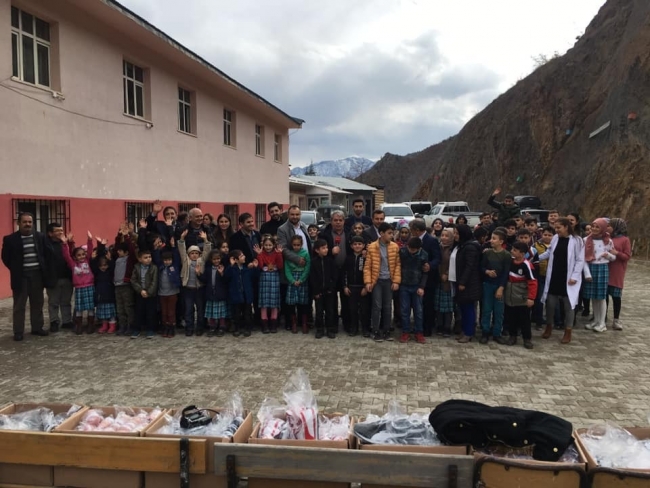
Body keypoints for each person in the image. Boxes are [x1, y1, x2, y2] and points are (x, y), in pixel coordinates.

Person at [1, 212, 52, 341]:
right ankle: (18, 331)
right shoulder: (10, 239)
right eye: (24, 222)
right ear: (18, 223)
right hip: (21, 277)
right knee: (19, 306)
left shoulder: (40, 237)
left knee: (37, 303)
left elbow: (47, 254)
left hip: (37, 276)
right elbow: (5, 258)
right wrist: (16, 269)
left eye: (30, 222)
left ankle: (37, 328)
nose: (27, 224)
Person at [540, 217, 585, 344]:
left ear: (566, 227)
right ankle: (549, 326)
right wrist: (536, 258)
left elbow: (580, 260)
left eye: (559, 227)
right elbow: (549, 252)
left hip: (568, 277)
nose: (556, 230)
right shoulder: (555, 238)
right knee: (550, 303)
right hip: (555, 275)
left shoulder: (577, 240)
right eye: (555, 227)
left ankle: (568, 330)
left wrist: (574, 276)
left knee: (569, 305)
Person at [277, 206, 313, 329]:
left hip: (305, 267)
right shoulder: (282, 229)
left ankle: (304, 321)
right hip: (292, 267)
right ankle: (290, 322)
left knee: (304, 297)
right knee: (290, 298)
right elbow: (283, 249)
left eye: (297, 214)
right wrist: (297, 259)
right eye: (292, 214)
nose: (295, 217)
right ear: (288, 215)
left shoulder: (303, 225)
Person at [364, 223, 401, 342]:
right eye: (389, 233)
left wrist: (396, 281)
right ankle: (375, 330)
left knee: (387, 306)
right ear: (381, 233)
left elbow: (397, 265)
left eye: (392, 233)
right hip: (377, 281)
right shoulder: (372, 247)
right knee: (377, 306)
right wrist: (368, 282)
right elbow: (367, 266)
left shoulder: (395, 247)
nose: (391, 235)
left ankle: (386, 330)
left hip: (388, 280)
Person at [583, 218, 616, 333]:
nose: (594, 229)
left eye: (597, 227)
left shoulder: (608, 241)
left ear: (603, 228)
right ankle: (596, 320)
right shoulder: (586, 240)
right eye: (593, 226)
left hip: (602, 268)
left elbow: (614, 257)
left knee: (601, 297)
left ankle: (602, 323)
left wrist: (607, 255)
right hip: (591, 268)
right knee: (594, 297)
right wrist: (586, 273)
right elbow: (583, 259)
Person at [318, 210, 349, 330]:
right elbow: (318, 252)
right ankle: (333, 324)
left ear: (344, 221)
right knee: (332, 299)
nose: (338, 222)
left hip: (345, 270)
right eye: (335, 220)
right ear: (331, 221)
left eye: (340, 220)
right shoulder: (324, 234)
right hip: (330, 271)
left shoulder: (349, 233)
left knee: (346, 298)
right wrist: (330, 252)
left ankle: (347, 323)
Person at [410, 219, 441, 337]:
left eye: (412, 230)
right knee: (417, 304)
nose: (411, 232)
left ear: (417, 230)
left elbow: (437, 258)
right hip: (415, 277)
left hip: (429, 278)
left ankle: (427, 328)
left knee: (428, 304)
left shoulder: (431, 240)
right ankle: (418, 326)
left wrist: (430, 265)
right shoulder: (413, 240)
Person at [504, 241, 537, 349]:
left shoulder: (527, 265)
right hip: (510, 296)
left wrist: (531, 298)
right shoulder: (510, 262)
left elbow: (532, 282)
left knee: (524, 319)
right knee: (511, 318)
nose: (512, 251)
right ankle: (512, 336)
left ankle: (527, 338)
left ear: (522, 253)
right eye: (512, 249)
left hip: (522, 297)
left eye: (515, 250)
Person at [479, 230, 510, 345]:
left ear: (501, 241)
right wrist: (487, 271)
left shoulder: (506, 255)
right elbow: (481, 267)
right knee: (486, 309)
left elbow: (506, 273)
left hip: (499, 286)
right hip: (487, 284)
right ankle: (485, 332)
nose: (491, 240)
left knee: (499, 311)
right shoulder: (487, 253)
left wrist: (501, 287)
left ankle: (497, 333)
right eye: (491, 238)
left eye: (494, 238)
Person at [178, 228, 211, 336]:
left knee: (200, 310)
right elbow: (182, 250)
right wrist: (182, 238)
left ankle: (200, 327)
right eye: (192, 253)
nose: (194, 255)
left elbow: (207, 251)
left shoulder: (201, 261)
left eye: (196, 253)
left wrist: (205, 240)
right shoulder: (185, 261)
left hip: (199, 289)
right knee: (188, 310)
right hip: (188, 289)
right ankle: (189, 327)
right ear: (188, 254)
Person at [62, 231, 96, 335]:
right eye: (79, 255)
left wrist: (90, 239)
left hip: (89, 286)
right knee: (79, 308)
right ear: (75, 257)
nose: (81, 256)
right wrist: (65, 244)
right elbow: (66, 256)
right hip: (79, 288)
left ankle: (90, 325)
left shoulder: (87, 261)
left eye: (83, 254)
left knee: (90, 307)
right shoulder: (73, 264)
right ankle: (79, 325)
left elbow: (90, 250)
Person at [454, 224, 482, 343]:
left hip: (469, 284)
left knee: (468, 308)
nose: (455, 235)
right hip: (462, 282)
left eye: (457, 233)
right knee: (463, 308)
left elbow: (469, 266)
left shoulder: (470, 247)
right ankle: (465, 330)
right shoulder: (462, 245)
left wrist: (463, 282)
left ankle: (469, 332)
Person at [45, 222, 74, 332]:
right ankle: (54, 321)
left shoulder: (66, 243)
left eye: (61, 230)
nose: (61, 232)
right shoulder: (46, 245)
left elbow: (73, 256)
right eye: (57, 231)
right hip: (53, 278)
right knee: (53, 302)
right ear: (50, 233)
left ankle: (67, 321)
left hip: (67, 277)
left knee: (66, 301)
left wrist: (70, 243)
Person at [398, 237, 428, 344]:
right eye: (409, 248)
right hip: (404, 285)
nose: (411, 251)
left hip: (417, 285)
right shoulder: (402, 252)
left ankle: (419, 332)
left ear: (419, 248)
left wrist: (422, 286)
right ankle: (405, 331)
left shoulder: (424, 255)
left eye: (413, 249)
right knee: (404, 310)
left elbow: (425, 272)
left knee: (418, 311)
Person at [254, 235, 284, 334]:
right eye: (266, 245)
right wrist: (259, 255)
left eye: (270, 245)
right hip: (264, 278)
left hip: (274, 278)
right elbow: (260, 266)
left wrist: (279, 254)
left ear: (273, 245)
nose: (268, 247)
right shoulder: (261, 253)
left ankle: (273, 323)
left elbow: (280, 266)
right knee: (264, 302)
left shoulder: (276, 253)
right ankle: (264, 324)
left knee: (274, 302)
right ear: (263, 245)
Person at [225, 250, 258, 337]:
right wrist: (231, 266)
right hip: (236, 295)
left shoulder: (247, 269)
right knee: (236, 314)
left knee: (247, 313)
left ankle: (248, 328)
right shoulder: (232, 269)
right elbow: (226, 277)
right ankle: (237, 328)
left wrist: (255, 268)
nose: (244, 257)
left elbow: (255, 277)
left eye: (243, 255)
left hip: (246, 295)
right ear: (236, 259)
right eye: (241, 256)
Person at [310, 239, 339, 339]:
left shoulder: (330, 261)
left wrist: (331, 288)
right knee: (319, 311)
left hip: (329, 291)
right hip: (318, 292)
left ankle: (330, 328)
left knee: (330, 311)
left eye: (326, 247)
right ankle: (320, 329)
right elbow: (312, 278)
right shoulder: (313, 262)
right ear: (317, 250)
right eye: (323, 248)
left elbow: (334, 276)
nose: (326, 250)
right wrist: (316, 292)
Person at [112, 222, 137, 336]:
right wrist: (119, 235)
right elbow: (116, 247)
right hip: (117, 286)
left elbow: (131, 249)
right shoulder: (117, 258)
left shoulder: (129, 259)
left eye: (121, 251)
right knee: (120, 307)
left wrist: (127, 236)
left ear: (126, 252)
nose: (118, 252)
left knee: (128, 307)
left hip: (126, 286)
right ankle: (122, 325)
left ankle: (130, 326)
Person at [606, 218, 631, 331]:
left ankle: (616, 319)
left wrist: (617, 253)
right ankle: (602, 317)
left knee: (616, 296)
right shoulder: (607, 238)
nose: (608, 228)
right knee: (604, 296)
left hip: (617, 272)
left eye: (610, 226)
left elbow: (627, 256)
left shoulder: (625, 240)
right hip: (605, 269)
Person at [342, 235, 368, 337]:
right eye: (355, 244)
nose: (357, 246)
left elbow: (368, 273)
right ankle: (354, 328)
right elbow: (344, 273)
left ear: (364, 245)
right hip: (351, 287)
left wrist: (366, 287)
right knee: (352, 310)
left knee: (364, 310)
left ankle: (365, 328)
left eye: (359, 244)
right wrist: (345, 286)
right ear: (351, 246)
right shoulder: (348, 258)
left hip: (363, 288)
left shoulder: (366, 258)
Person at [285, 235, 311, 334]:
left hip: (302, 279)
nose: (296, 247)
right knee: (291, 303)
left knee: (303, 303)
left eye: (298, 245)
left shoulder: (305, 253)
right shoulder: (289, 254)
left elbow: (307, 267)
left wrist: (301, 279)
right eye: (294, 245)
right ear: (291, 245)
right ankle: (294, 323)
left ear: (301, 244)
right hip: (292, 279)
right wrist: (292, 280)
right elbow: (287, 269)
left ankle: (304, 323)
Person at [130, 249, 159, 339]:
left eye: (149, 257)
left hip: (150, 294)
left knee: (150, 312)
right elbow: (133, 280)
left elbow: (154, 282)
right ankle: (137, 329)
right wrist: (140, 290)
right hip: (140, 293)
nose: (148, 259)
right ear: (140, 259)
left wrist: (148, 292)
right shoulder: (136, 267)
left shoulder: (154, 268)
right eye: (145, 258)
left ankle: (150, 329)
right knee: (139, 312)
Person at [200, 249, 228, 337]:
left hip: (220, 294)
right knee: (211, 312)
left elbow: (226, 281)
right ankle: (212, 327)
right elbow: (204, 280)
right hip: (210, 293)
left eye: (218, 259)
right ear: (211, 260)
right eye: (214, 259)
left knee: (221, 312)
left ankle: (222, 326)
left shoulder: (223, 268)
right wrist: (198, 274)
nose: (216, 261)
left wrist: (222, 273)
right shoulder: (208, 269)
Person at [91, 238, 117, 334]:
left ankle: (112, 326)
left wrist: (110, 260)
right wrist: (93, 259)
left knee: (111, 313)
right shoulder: (97, 272)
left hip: (109, 296)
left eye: (105, 265)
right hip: (101, 296)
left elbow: (113, 266)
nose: (103, 267)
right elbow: (93, 265)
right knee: (103, 313)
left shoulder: (110, 272)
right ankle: (104, 325)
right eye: (101, 265)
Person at [156, 243, 181, 338]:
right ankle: (165, 327)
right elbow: (156, 258)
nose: (167, 262)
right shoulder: (161, 267)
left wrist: (173, 246)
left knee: (171, 312)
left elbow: (177, 258)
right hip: (162, 293)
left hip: (172, 293)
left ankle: (171, 327)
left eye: (169, 260)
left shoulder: (175, 266)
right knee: (164, 312)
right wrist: (157, 249)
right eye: (165, 260)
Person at [532, 226, 554, 330]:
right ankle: (538, 321)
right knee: (539, 299)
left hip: (552, 276)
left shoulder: (556, 244)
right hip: (539, 275)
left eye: (550, 235)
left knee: (552, 300)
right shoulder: (536, 245)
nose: (547, 237)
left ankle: (553, 320)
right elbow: (534, 258)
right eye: (545, 234)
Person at [434, 228, 455, 337]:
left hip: (448, 281)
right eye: (442, 235)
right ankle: (439, 325)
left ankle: (447, 327)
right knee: (438, 305)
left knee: (447, 306)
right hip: (438, 280)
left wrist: (447, 274)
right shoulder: (438, 247)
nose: (444, 238)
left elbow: (454, 263)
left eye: (447, 236)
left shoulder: (453, 249)